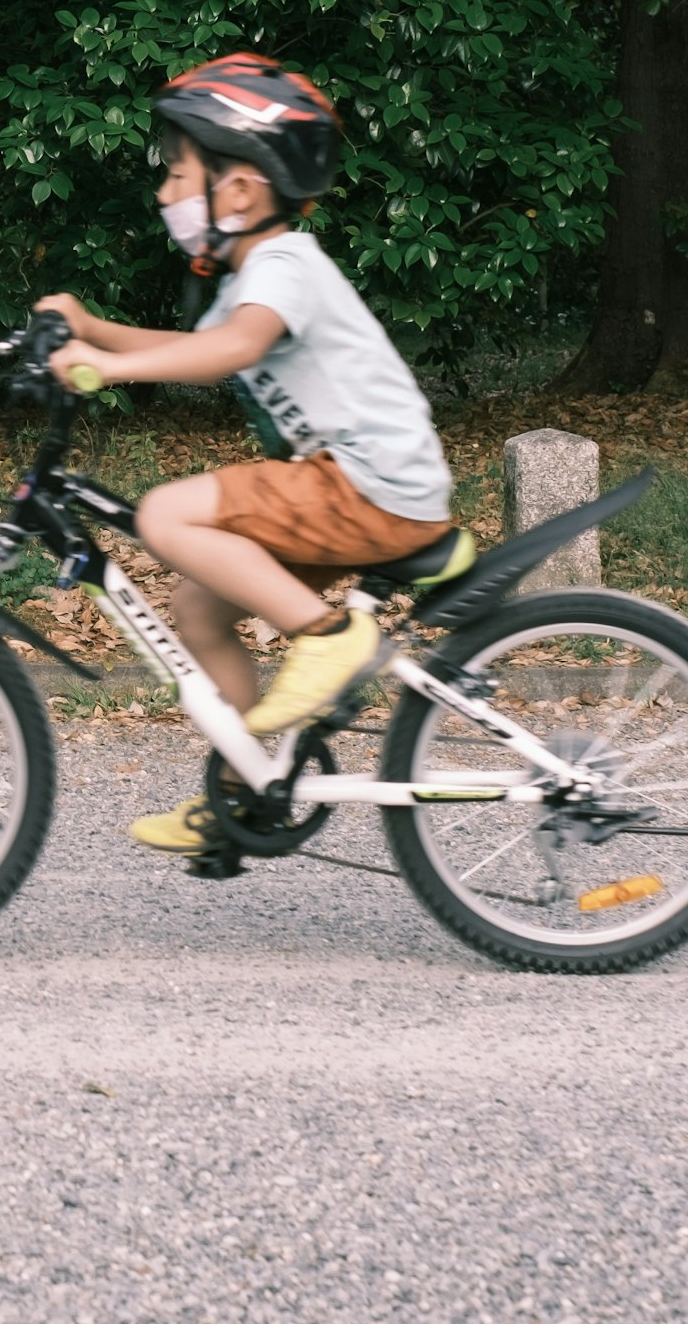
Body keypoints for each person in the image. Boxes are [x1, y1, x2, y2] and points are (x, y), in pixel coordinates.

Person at [30, 52, 455, 856]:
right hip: (348, 490)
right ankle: (246, 788)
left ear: (242, 189)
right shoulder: (253, 278)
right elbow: (202, 344)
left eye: (176, 173)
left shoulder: (285, 264)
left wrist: (111, 366)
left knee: (167, 512)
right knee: (198, 609)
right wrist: (91, 329)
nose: (163, 194)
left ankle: (329, 641)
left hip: (366, 485)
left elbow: (233, 349)